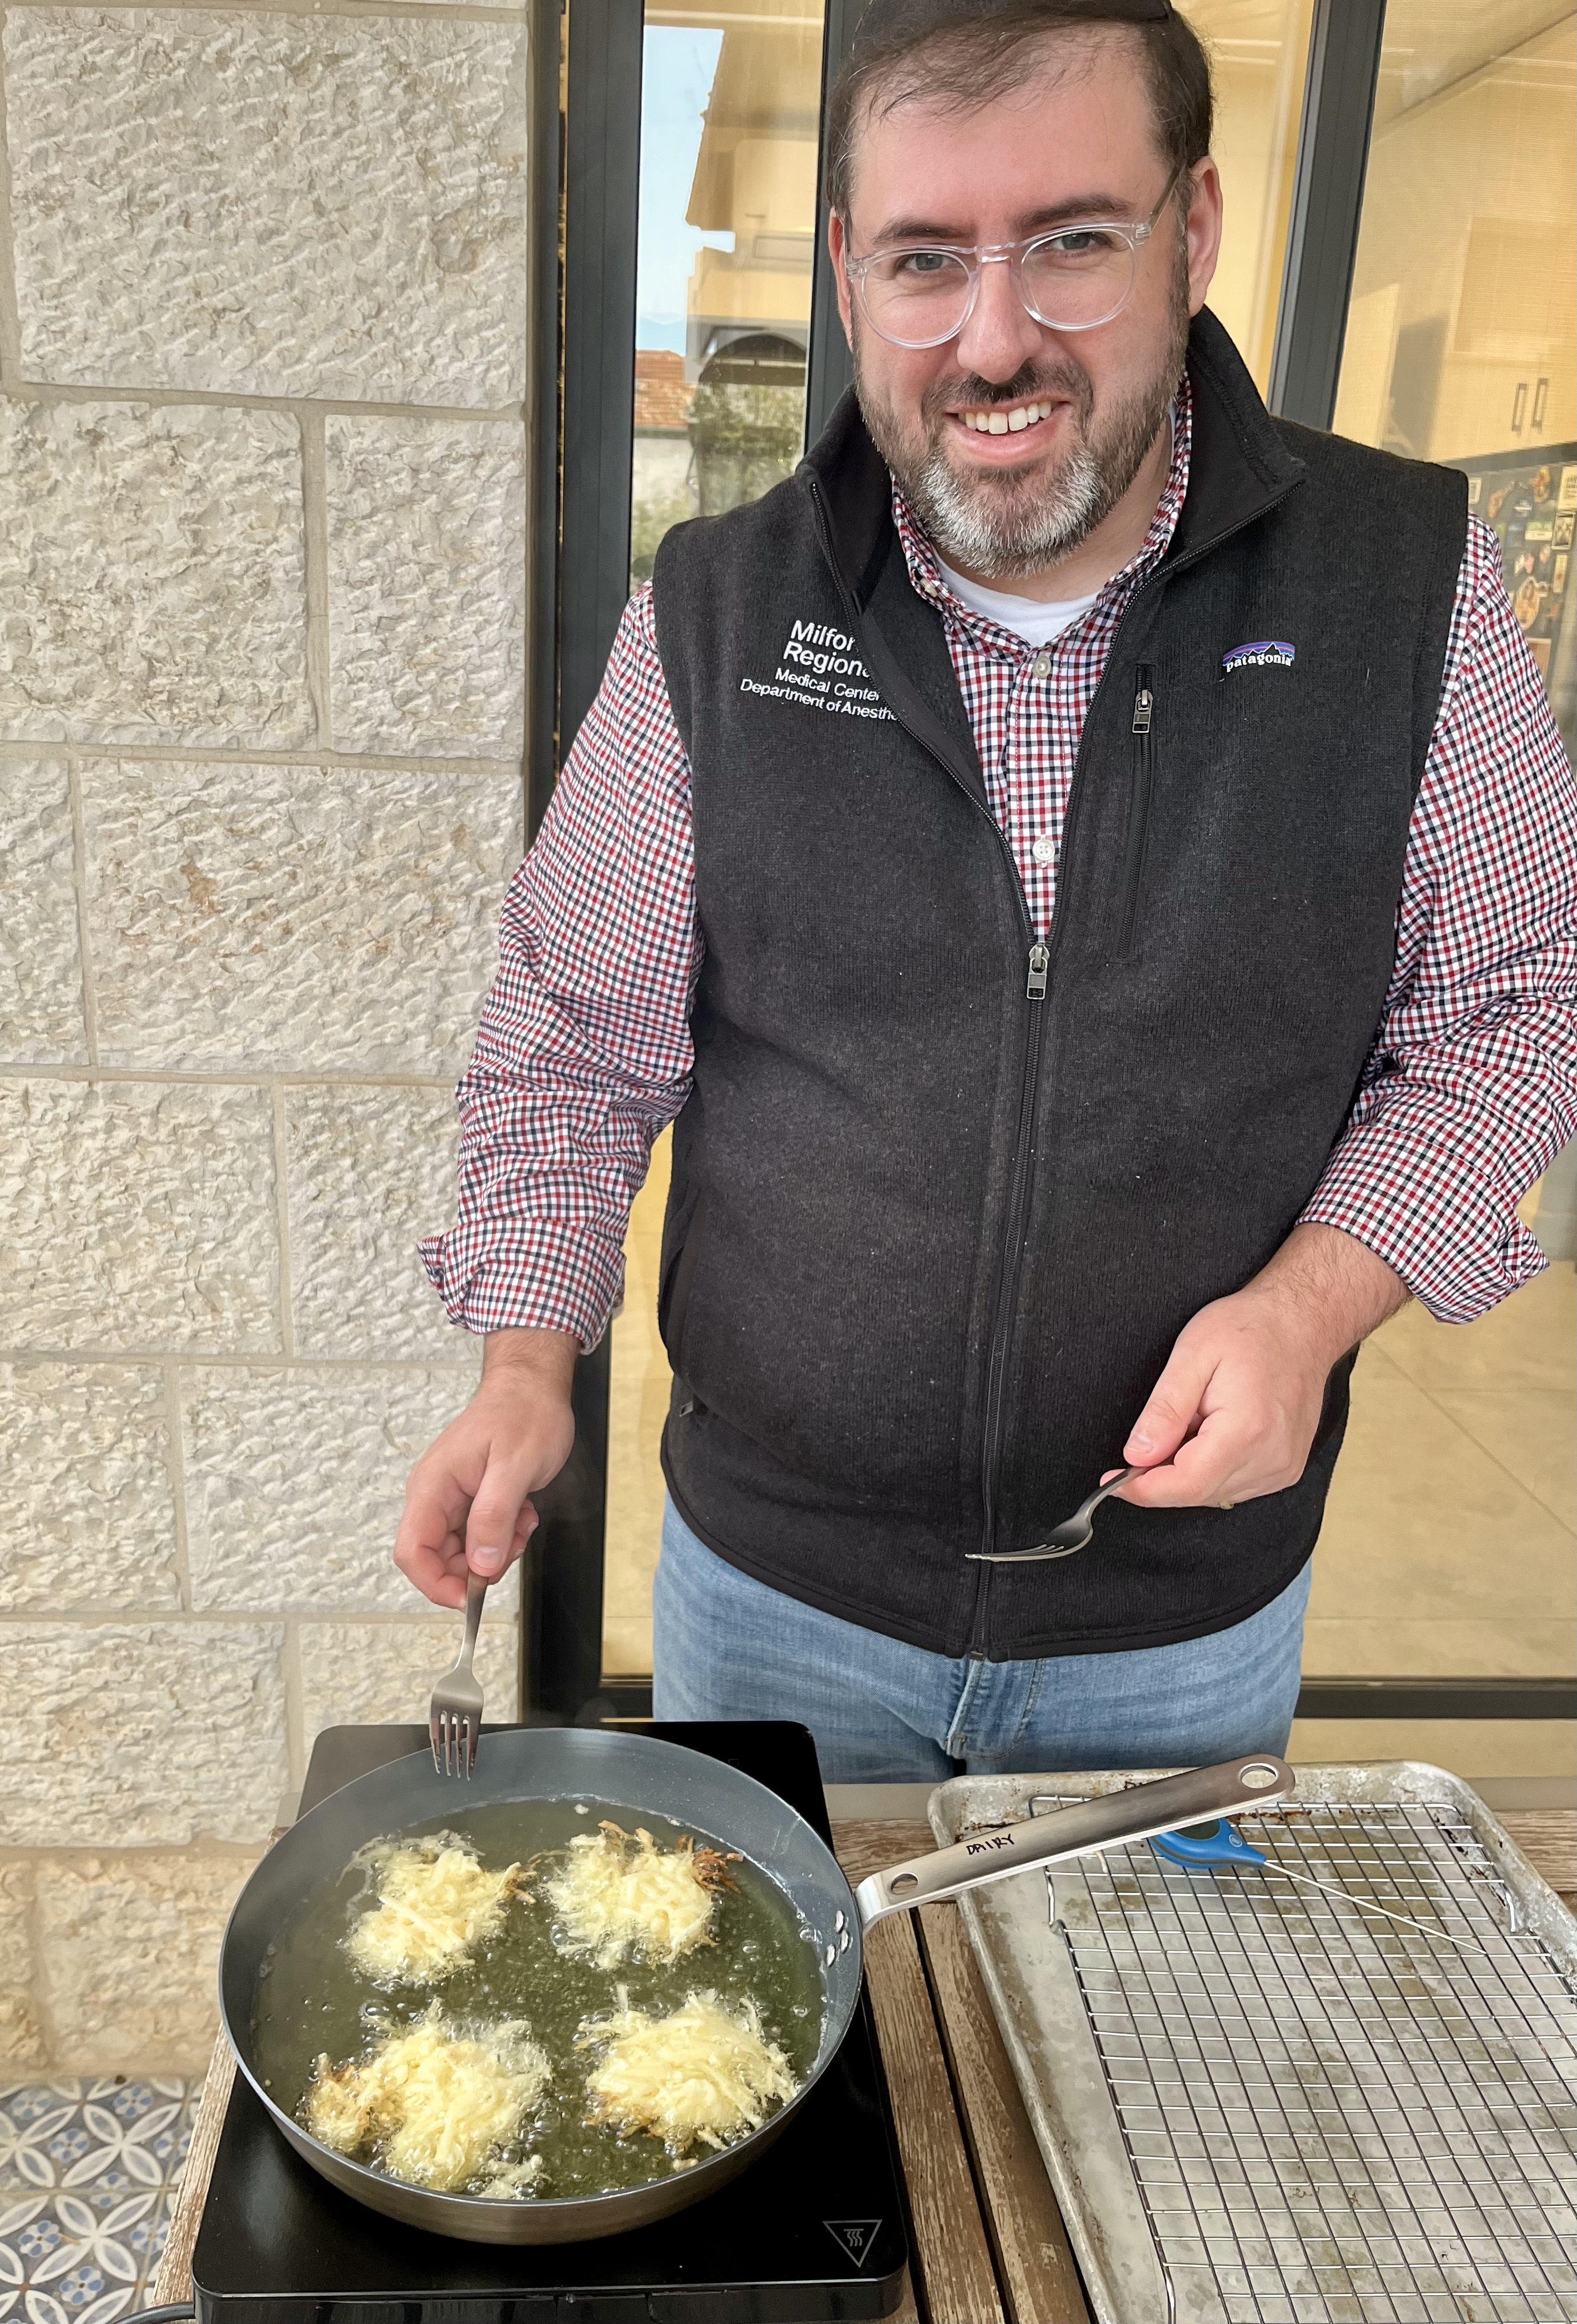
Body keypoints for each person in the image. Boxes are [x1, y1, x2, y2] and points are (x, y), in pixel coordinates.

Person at [396, 0, 1577, 1780]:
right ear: (850, 276)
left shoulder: (1405, 580)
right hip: (770, 1598)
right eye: (926, 259)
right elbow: (575, 1035)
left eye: (1074, 245)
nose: (995, 338)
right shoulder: (719, 606)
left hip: (1179, 1622)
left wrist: (1310, 1307)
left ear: (1194, 233)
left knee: (1120, 2062)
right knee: (791, 2053)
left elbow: (1516, 1008)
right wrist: (522, 1367)